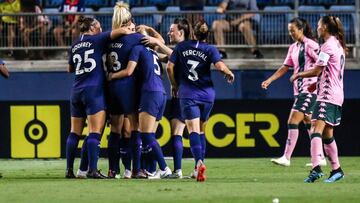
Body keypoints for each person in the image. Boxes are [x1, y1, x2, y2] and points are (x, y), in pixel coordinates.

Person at [167, 20, 235, 181]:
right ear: (207, 34)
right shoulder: (210, 49)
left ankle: (198, 164)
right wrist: (228, 73)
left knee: (193, 131)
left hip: (189, 93)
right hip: (207, 95)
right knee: (202, 130)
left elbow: (169, 67)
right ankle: (200, 164)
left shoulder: (181, 47)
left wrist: (174, 85)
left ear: (192, 33)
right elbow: (219, 66)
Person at [65, 15, 130, 179]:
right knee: (95, 131)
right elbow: (121, 30)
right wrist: (131, 29)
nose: (101, 29)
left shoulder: (74, 44)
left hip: (76, 90)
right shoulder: (98, 39)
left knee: (74, 132)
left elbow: (69, 69)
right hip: (93, 90)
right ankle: (92, 170)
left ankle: (69, 170)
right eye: (99, 27)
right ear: (92, 28)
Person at [106, 2, 165, 179]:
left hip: (111, 87)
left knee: (115, 130)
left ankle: (112, 170)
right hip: (126, 86)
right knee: (135, 127)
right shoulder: (134, 38)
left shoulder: (107, 40)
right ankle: (137, 169)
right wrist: (149, 31)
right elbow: (158, 44)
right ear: (128, 21)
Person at [261, 18, 326, 167]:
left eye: (293, 30)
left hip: (309, 90)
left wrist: (317, 84)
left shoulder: (311, 45)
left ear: (301, 29)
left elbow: (322, 66)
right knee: (309, 122)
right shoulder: (293, 47)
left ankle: (286, 157)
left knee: (292, 121)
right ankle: (320, 156)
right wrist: (270, 80)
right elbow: (285, 67)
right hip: (299, 91)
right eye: (289, 30)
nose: (291, 33)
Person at [290, 16, 346, 183]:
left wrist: (299, 74)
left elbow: (316, 71)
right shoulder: (338, 44)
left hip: (327, 95)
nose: (317, 28)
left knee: (315, 129)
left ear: (326, 28)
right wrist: (316, 86)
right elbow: (329, 71)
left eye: (319, 26)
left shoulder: (328, 46)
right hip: (334, 93)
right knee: (327, 133)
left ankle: (316, 168)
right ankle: (337, 170)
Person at [108, 41, 172, 180]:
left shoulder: (138, 48)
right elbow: (172, 56)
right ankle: (147, 169)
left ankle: (164, 168)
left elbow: (129, 71)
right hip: (162, 93)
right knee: (148, 135)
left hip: (149, 92)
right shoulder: (153, 53)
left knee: (145, 135)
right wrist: (154, 37)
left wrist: (112, 76)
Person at [142, 18, 192, 179]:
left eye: (172, 30)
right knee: (178, 133)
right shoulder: (188, 48)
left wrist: (174, 85)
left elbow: (171, 55)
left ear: (181, 32)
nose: (169, 32)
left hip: (183, 93)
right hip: (191, 93)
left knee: (178, 132)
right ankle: (178, 170)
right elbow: (163, 55)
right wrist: (150, 33)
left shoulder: (183, 48)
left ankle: (175, 170)